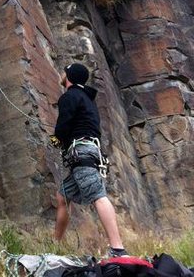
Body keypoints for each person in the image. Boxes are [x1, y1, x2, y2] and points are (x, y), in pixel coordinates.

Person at [52, 62, 128, 257]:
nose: (62, 74)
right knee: (63, 196)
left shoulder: (69, 96)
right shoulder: (87, 99)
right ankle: (55, 245)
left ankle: (118, 249)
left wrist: (56, 139)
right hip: (88, 150)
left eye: (64, 72)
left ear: (68, 76)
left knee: (97, 195)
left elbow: (63, 126)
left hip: (82, 152)